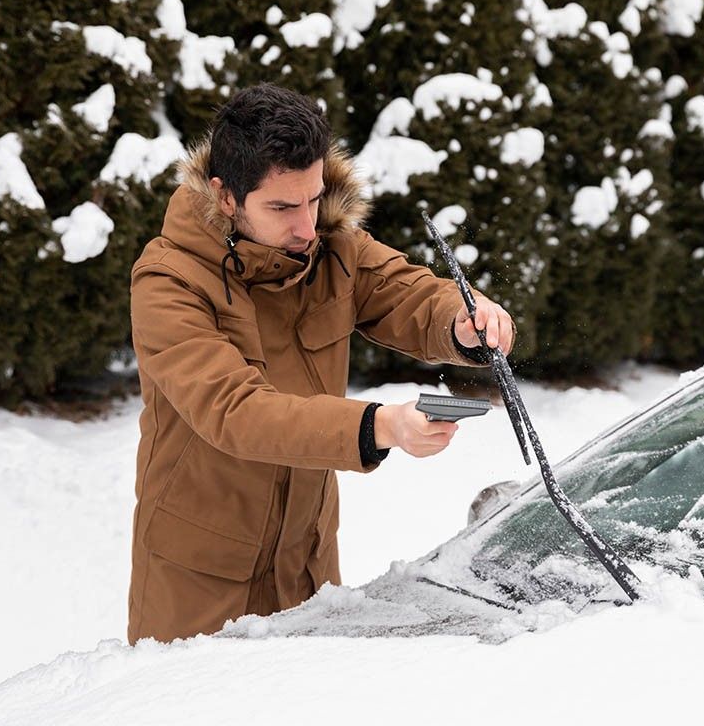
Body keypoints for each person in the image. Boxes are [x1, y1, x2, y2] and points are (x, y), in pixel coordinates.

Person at [127, 83, 515, 643]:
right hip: (199, 579)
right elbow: (234, 412)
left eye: (312, 199)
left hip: (307, 561)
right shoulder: (169, 280)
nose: (307, 226)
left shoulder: (334, 246)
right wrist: (380, 425)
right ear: (226, 195)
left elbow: (409, 294)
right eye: (283, 207)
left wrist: (462, 318)